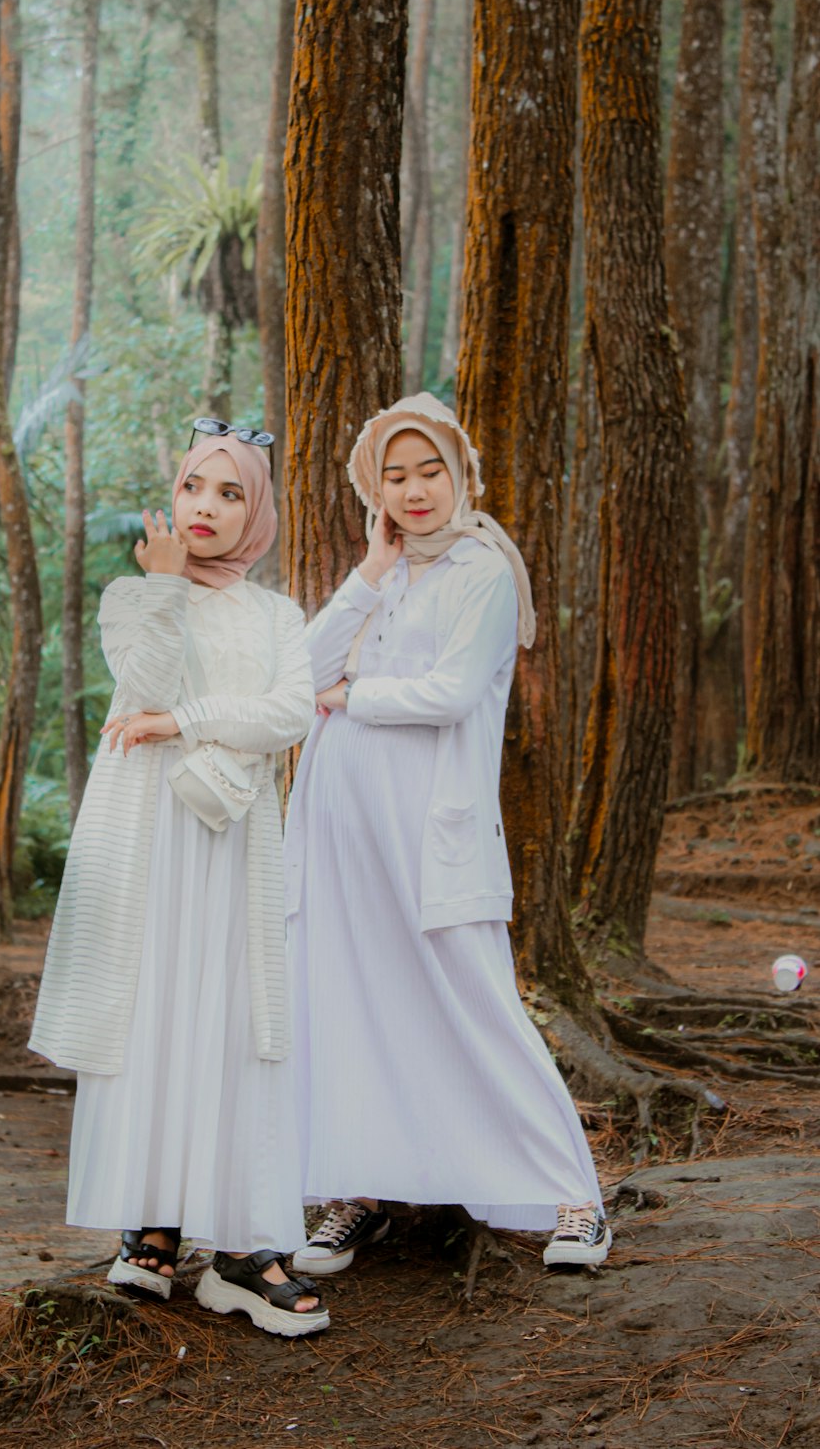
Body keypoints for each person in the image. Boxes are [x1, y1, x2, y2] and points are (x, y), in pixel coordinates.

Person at [284, 392, 610, 1277]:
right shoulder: (385, 570)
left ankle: (574, 1197)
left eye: (431, 470)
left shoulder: (482, 569)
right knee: (350, 1001)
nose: (415, 490)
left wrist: (354, 698)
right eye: (395, 475)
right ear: (373, 487)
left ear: (461, 474)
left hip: (431, 829)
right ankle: (361, 1189)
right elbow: (298, 675)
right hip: (342, 829)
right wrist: (365, 575)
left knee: (475, 999)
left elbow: (454, 692)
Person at [30, 423, 329, 1336]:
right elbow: (144, 677)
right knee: (151, 1005)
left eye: (230, 492)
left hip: (235, 841)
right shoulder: (133, 595)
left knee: (232, 1013)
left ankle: (241, 1243)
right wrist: (162, 585)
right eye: (195, 486)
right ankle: (151, 1224)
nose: (206, 506)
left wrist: (189, 722)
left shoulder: (277, 615)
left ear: (256, 512)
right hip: (148, 837)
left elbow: (288, 713)